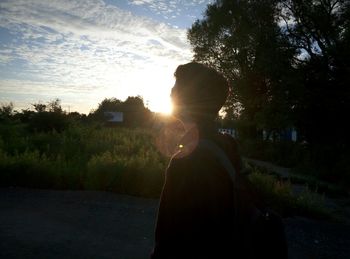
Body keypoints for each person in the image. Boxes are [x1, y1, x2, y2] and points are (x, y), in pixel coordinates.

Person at [151, 62, 251, 258]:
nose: (171, 93)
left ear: (190, 97)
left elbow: (173, 239)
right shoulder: (227, 145)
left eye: (176, 87)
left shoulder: (189, 158)